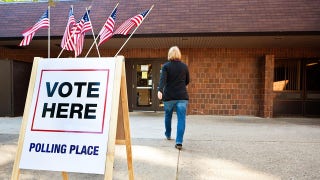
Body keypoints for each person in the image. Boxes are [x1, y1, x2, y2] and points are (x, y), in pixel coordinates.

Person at [157, 46, 190, 150]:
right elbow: (187, 80)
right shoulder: (184, 66)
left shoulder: (166, 66)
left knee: (168, 116)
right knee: (181, 119)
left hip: (169, 96)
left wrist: (160, 90)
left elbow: (163, 80)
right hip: (182, 96)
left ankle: (168, 134)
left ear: (169, 54)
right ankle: (179, 141)